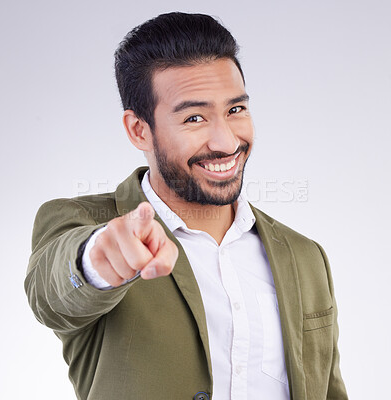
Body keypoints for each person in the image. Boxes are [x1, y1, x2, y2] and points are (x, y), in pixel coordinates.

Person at [25, 12, 348, 400]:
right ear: (138, 130)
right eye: (194, 117)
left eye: (235, 110)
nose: (226, 141)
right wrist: (96, 260)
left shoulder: (306, 256)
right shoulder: (87, 224)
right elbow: (52, 294)